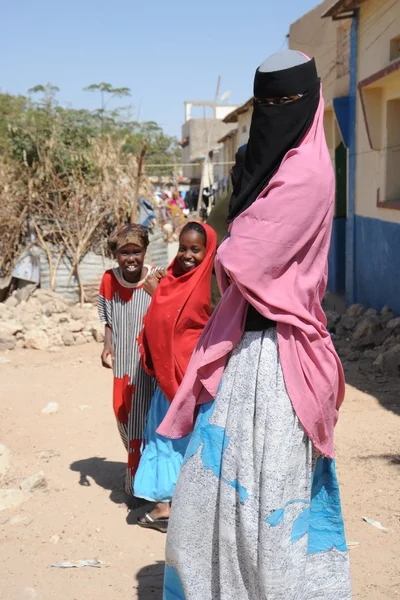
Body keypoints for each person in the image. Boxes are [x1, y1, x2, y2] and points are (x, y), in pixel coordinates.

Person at [159, 51, 352, 599]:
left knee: (271, 505)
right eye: (263, 103)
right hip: (240, 349)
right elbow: (219, 239)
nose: (272, 114)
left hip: (281, 359)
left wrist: (235, 225)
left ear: (308, 102)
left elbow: (241, 257)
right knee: (209, 497)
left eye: (283, 103)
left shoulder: (309, 174)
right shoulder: (258, 166)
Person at [134, 222, 217, 533]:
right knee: (166, 439)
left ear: (207, 250)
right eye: (183, 248)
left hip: (189, 380)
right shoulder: (174, 279)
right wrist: (161, 292)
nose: (187, 255)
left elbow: (184, 323)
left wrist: (157, 294)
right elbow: (161, 321)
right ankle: (168, 505)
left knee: (176, 441)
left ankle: (167, 507)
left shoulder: (206, 286)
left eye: (195, 249)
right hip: (169, 380)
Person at [97, 224, 164, 503]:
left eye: (136, 251)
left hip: (149, 366)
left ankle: (141, 486)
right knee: (123, 415)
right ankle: (140, 474)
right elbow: (108, 317)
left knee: (146, 421)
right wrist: (106, 345)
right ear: (116, 255)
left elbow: (166, 313)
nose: (131, 258)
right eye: (125, 253)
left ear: (145, 251)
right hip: (123, 363)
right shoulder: (109, 279)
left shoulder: (156, 278)